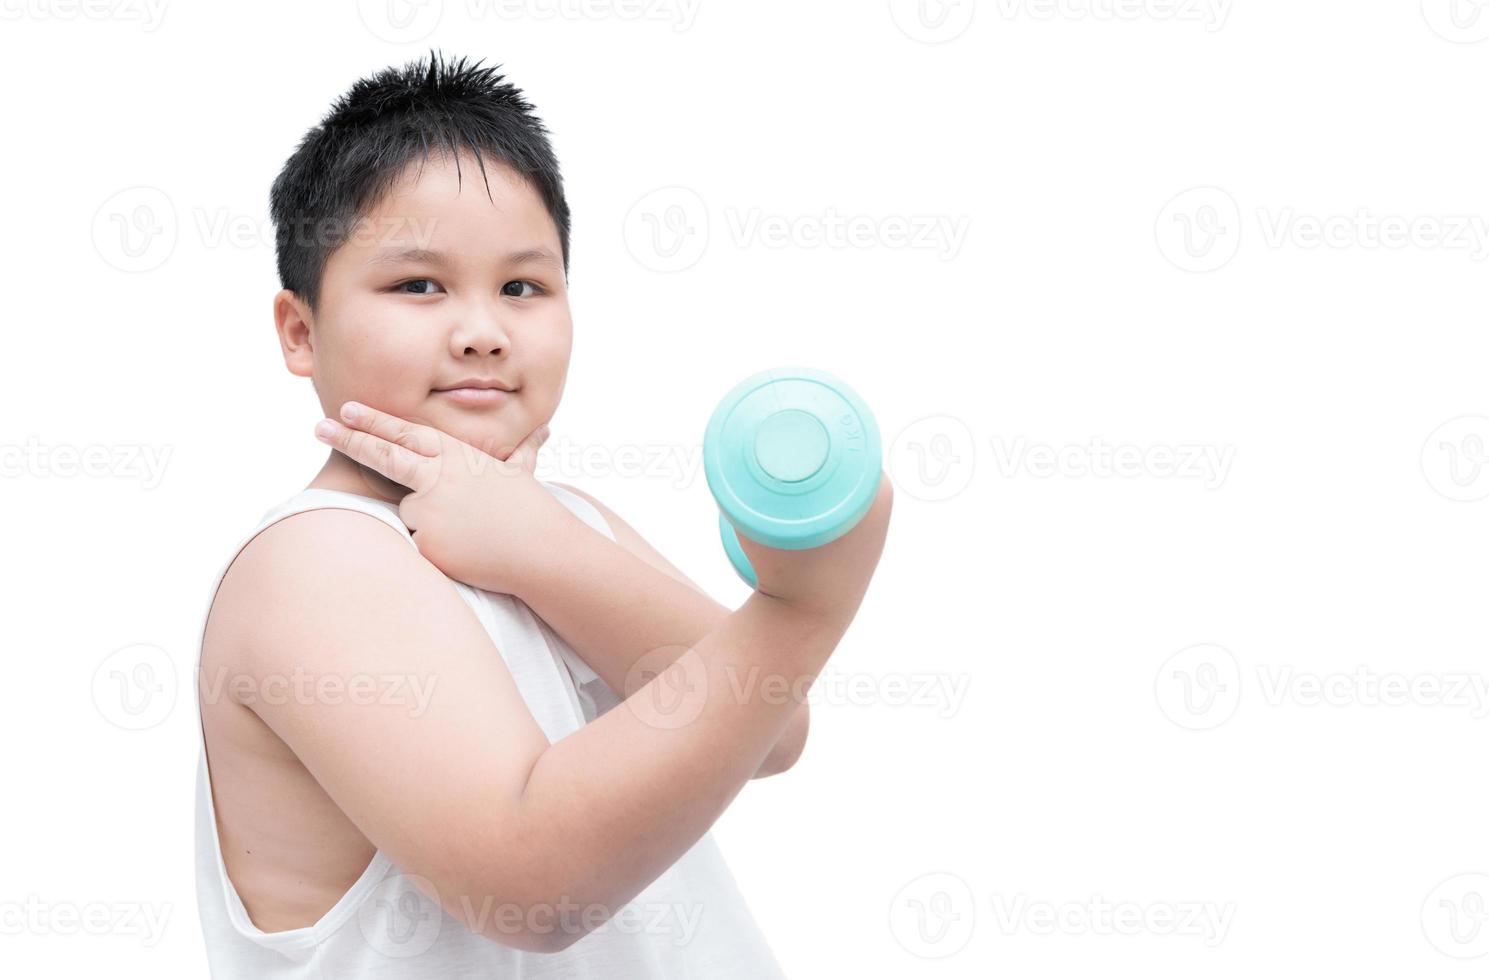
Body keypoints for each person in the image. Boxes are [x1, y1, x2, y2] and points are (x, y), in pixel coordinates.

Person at [193, 49, 892, 977]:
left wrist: (541, 549)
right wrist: (802, 610)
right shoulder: (316, 562)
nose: (483, 328)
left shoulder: (565, 522)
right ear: (299, 330)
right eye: (418, 285)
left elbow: (769, 730)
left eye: (523, 286)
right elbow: (532, 884)